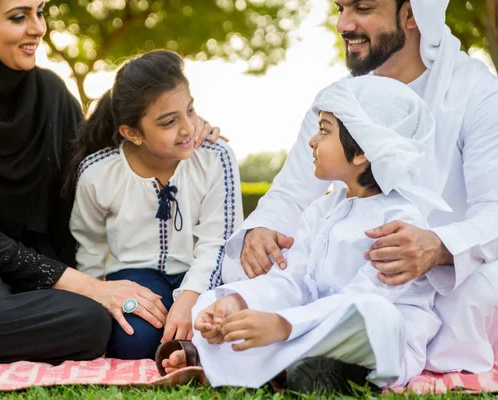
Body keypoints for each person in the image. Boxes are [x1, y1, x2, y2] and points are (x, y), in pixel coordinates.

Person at [0, 0, 220, 370]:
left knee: (90, 321)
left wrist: (186, 132)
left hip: (31, 269)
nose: (38, 27)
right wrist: (96, 288)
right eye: (19, 17)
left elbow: (106, 149)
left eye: (40, 11)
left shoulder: (48, 93)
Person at [219, 0, 498, 374]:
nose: (342, 24)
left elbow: (494, 210)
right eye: (340, 8)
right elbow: (290, 192)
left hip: (446, 280)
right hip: (351, 271)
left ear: (413, 14)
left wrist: (438, 247)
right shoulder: (338, 99)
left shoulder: (477, 92)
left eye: (363, 8)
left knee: (472, 292)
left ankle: (312, 343)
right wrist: (263, 230)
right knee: (255, 271)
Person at [159, 75, 449, 393]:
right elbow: (292, 280)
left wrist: (284, 325)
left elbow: (366, 298)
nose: (312, 141)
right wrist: (238, 304)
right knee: (215, 301)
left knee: (373, 314)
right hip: (306, 325)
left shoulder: (400, 220)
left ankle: (257, 360)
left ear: (363, 150)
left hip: (376, 341)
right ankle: (281, 362)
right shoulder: (321, 210)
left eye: (324, 130)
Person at [67, 50, 243, 360]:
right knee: (134, 341)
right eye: (168, 122)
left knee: (217, 329)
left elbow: (218, 244)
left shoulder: (216, 157)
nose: (188, 127)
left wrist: (189, 300)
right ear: (132, 133)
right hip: (136, 277)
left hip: (204, 272)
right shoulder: (98, 172)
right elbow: (89, 249)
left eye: (190, 110)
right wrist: (97, 306)